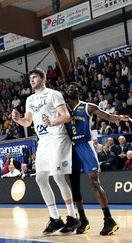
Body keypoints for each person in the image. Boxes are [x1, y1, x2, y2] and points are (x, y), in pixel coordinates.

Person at [12, 68, 80, 235]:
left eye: (35, 77)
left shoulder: (53, 94)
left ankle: (73, 217)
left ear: (43, 79)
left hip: (58, 137)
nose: (32, 80)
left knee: (58, 176)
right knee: (41, 178)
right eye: (30, 78)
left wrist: (53, 122)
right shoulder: (29, 99)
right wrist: (18, 120)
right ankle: (55, 218)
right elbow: (28, 122)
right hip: (43, 141)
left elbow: (66, 116)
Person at [65, 82, 130, 235]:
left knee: (94, 182)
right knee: (74, 186)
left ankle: (108, 220)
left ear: (79, 92)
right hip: (71, 148)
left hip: (85, 146)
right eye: (68, 88)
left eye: (74, 88)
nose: (70, 89)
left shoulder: (88, 107)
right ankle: (83, 220)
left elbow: (108, 117)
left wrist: (121, 117)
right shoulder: (64, 108)